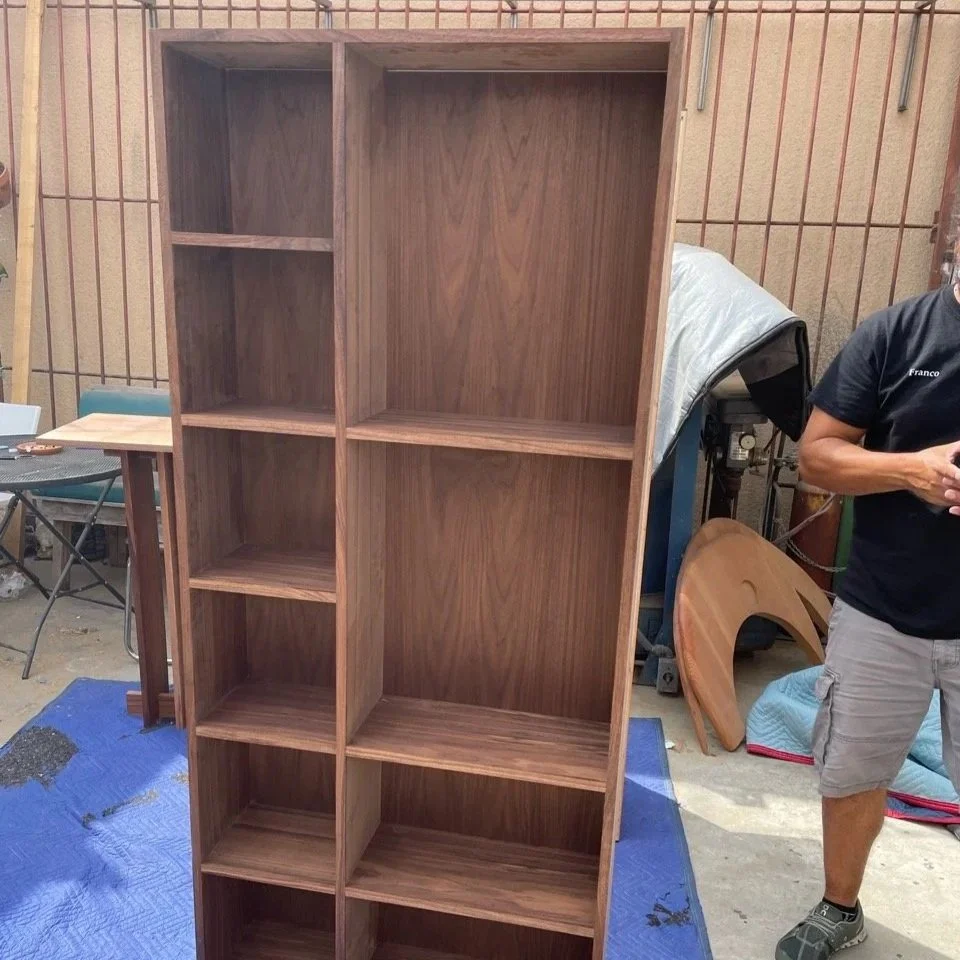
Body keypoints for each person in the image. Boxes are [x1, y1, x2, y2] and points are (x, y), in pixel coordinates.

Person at [775, 256, 960, 960]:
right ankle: (839, 906)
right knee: (853, 769)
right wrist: (910, 469)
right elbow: (816, 457)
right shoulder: (895, 335)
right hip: (883, 610)